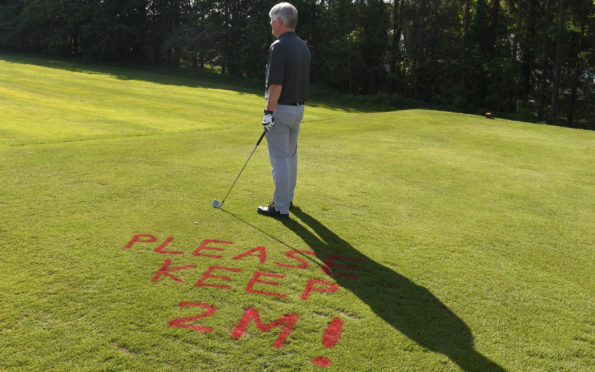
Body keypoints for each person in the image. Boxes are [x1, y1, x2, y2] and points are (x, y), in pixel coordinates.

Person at [257, 2, 311, 220]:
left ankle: (280, 207)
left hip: (281, 109)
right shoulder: (302, 46)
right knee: (290, 156)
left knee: (280, 158)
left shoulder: (278, 46)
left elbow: (276, 85)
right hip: (298, 109)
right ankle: (286, 198)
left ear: (279, 21)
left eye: (272, 19)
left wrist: (268, 113)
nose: (270, 24)